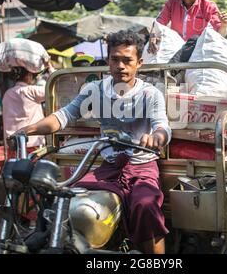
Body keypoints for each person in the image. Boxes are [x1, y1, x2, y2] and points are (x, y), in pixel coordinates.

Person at [12, 30, 171, 254]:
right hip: (107, 167)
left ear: (139, 63)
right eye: (115, 59)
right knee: (68, 199)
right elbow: (63, 116)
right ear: (108, 61)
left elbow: (162, 125)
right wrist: (29, 129)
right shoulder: (95, 90)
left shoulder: (150, 94)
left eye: (127, 60)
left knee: (146, 206)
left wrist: (156, 137)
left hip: (142, 167)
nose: (121, 66)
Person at [2, 66, 48, 158]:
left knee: (14, 170)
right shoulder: (31, 91)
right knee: (34, 171)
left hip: (12, 144)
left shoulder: (7, 94)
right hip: (32, 143)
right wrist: (50, 69)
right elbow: (52, 90)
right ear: (28, 75)